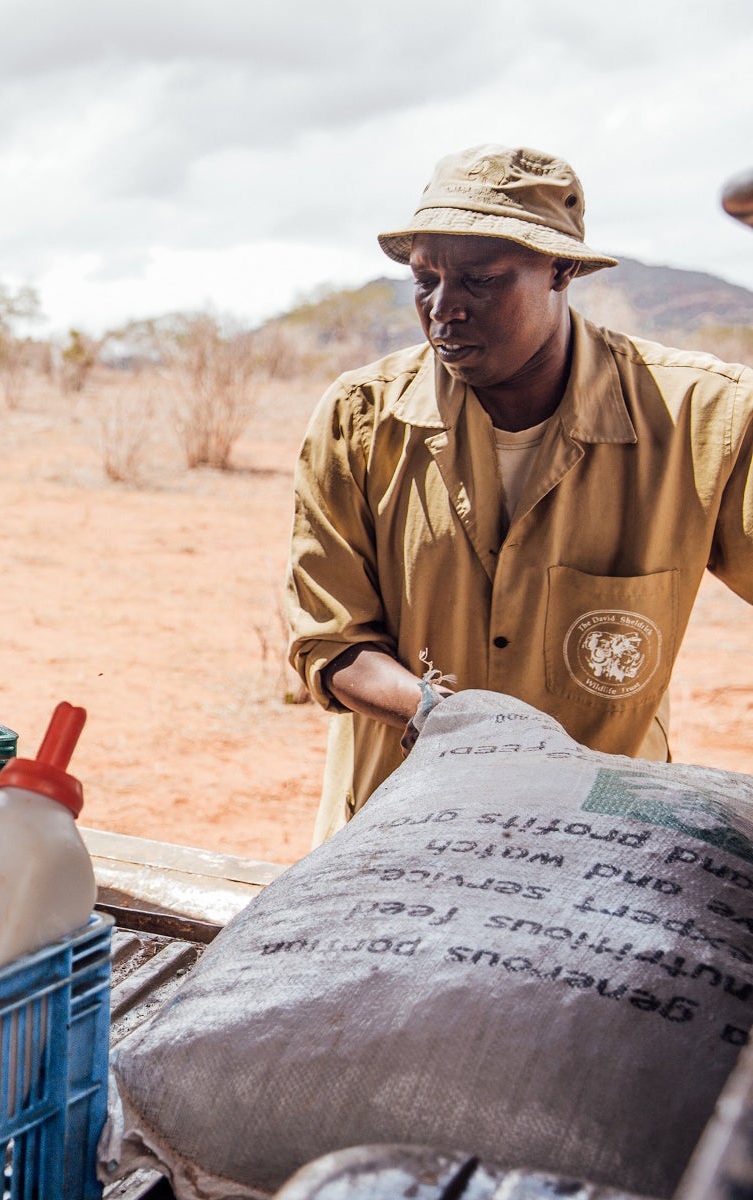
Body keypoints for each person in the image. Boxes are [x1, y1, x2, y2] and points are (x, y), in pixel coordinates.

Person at [286, 144, 753, 843]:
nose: (444, 309)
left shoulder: (703, 420)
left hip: (599, 845)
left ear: (562, 270)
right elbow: (329, 643)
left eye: (479, 281)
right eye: (425, 280)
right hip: (397, 829)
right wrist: (445, 719)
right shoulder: (361, 419)